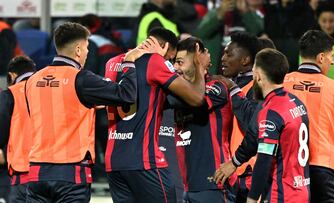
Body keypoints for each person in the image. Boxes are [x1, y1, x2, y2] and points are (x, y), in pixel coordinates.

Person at [24, 22, 139, 202]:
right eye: (86, 48)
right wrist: (130, 63)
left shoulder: (33, 80)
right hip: (71, 172)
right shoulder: (81, 78)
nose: (87, 53)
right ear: (78, 49)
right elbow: (126, 95)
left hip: (37, 172)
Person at [105, 28, 209, 203]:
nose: (171, 63)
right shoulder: (153, 61)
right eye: (171, 58)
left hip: (114, 162)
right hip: (144, 161)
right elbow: (196, 98)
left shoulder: (112, 62)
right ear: (164, 47)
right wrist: (199, 65)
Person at [214, 48, 311, 202]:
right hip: (302, 191)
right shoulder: (296, 103)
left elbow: (264, 160)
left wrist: (252, 198)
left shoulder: (272, 112)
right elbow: (254, 136)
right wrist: (234, 163)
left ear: (258, 76)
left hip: (281, 194)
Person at [284, 30, 334, 203]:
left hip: (288, 169)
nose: (332, 61)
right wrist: (333, 160)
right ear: (321, 57)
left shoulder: (282, 83)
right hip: (323, 167)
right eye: (331, 56)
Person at [170, 37, 236, 202]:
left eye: (180, 62)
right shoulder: (178, 91)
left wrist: (200, 66)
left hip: (213, 184)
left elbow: (197, 100)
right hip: (188, 187)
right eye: (174, 62)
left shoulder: (216, 86)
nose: (175, 68)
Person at [221, 31, 260, 203]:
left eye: (229, 54)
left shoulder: (257, 88)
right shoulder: (231, 85)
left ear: (245, 60)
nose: (223, 58)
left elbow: (251, 125)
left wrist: (233, 90)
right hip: (230, 169)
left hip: (247, 171)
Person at [0, 56, 35, 202]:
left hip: (22, 170)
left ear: (12, 75)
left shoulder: (10, 94)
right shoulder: (51, 90)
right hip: (52, 170)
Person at [196, 0, 263, 74]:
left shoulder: (250, 13)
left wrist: (245, 11)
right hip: (217, 66)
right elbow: (201, 33)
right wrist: (220, 14)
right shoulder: (214, 13)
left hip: (244, 66)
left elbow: (258, 31)